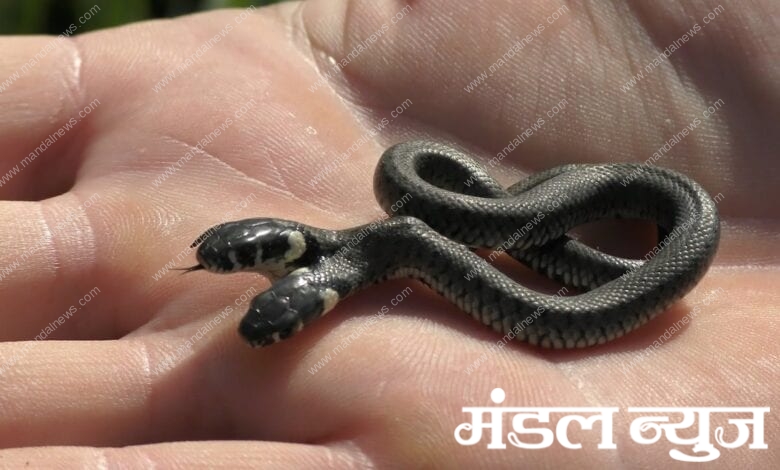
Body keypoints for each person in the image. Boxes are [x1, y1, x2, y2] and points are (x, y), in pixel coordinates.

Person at [0, 1, 776, 467]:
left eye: (249, 268)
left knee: (515, 212)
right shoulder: (393, 235)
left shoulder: (402, 222)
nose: (267, 322)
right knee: (514, 216)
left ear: (303, 275)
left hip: (568, 232)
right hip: (459, 230)